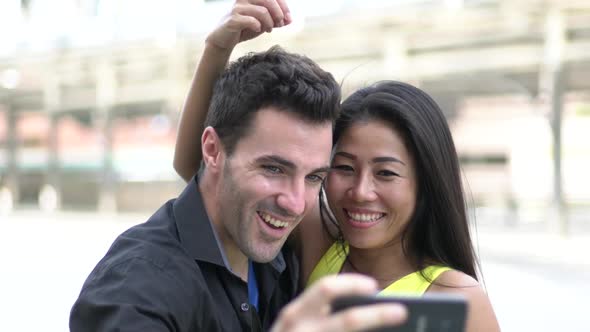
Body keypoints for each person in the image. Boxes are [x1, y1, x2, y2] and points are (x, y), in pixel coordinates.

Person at [69, 3, 408, 331]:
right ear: (213, 151)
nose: (296, 204)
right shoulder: (137, 292)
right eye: (274, 169)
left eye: (314, 176)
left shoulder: (277, 250)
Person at [173, 1, 500, 331]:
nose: (360, 192)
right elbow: (203, 170)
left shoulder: (459, 299)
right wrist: (217, 47)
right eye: (343, 168)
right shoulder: (320, 244)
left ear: (426, 183)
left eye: (386, 173)